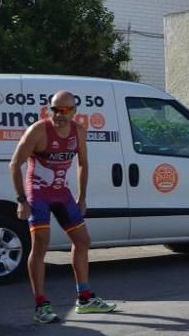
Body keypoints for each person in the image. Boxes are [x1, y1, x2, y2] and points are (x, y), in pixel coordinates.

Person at [9, 90, 117, 323]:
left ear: (74, 111)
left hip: (62, 193)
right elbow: (15, 164)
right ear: (50, 110)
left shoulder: (78, 131)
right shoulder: (38, 131)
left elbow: (83, 164)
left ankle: (85, 298)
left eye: (65, 110)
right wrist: (21, 199)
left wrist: (82, 197)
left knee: (83, 240)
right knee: (40, 247)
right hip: (38, 194)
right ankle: (41, 306)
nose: (60, 114)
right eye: (55, 109)